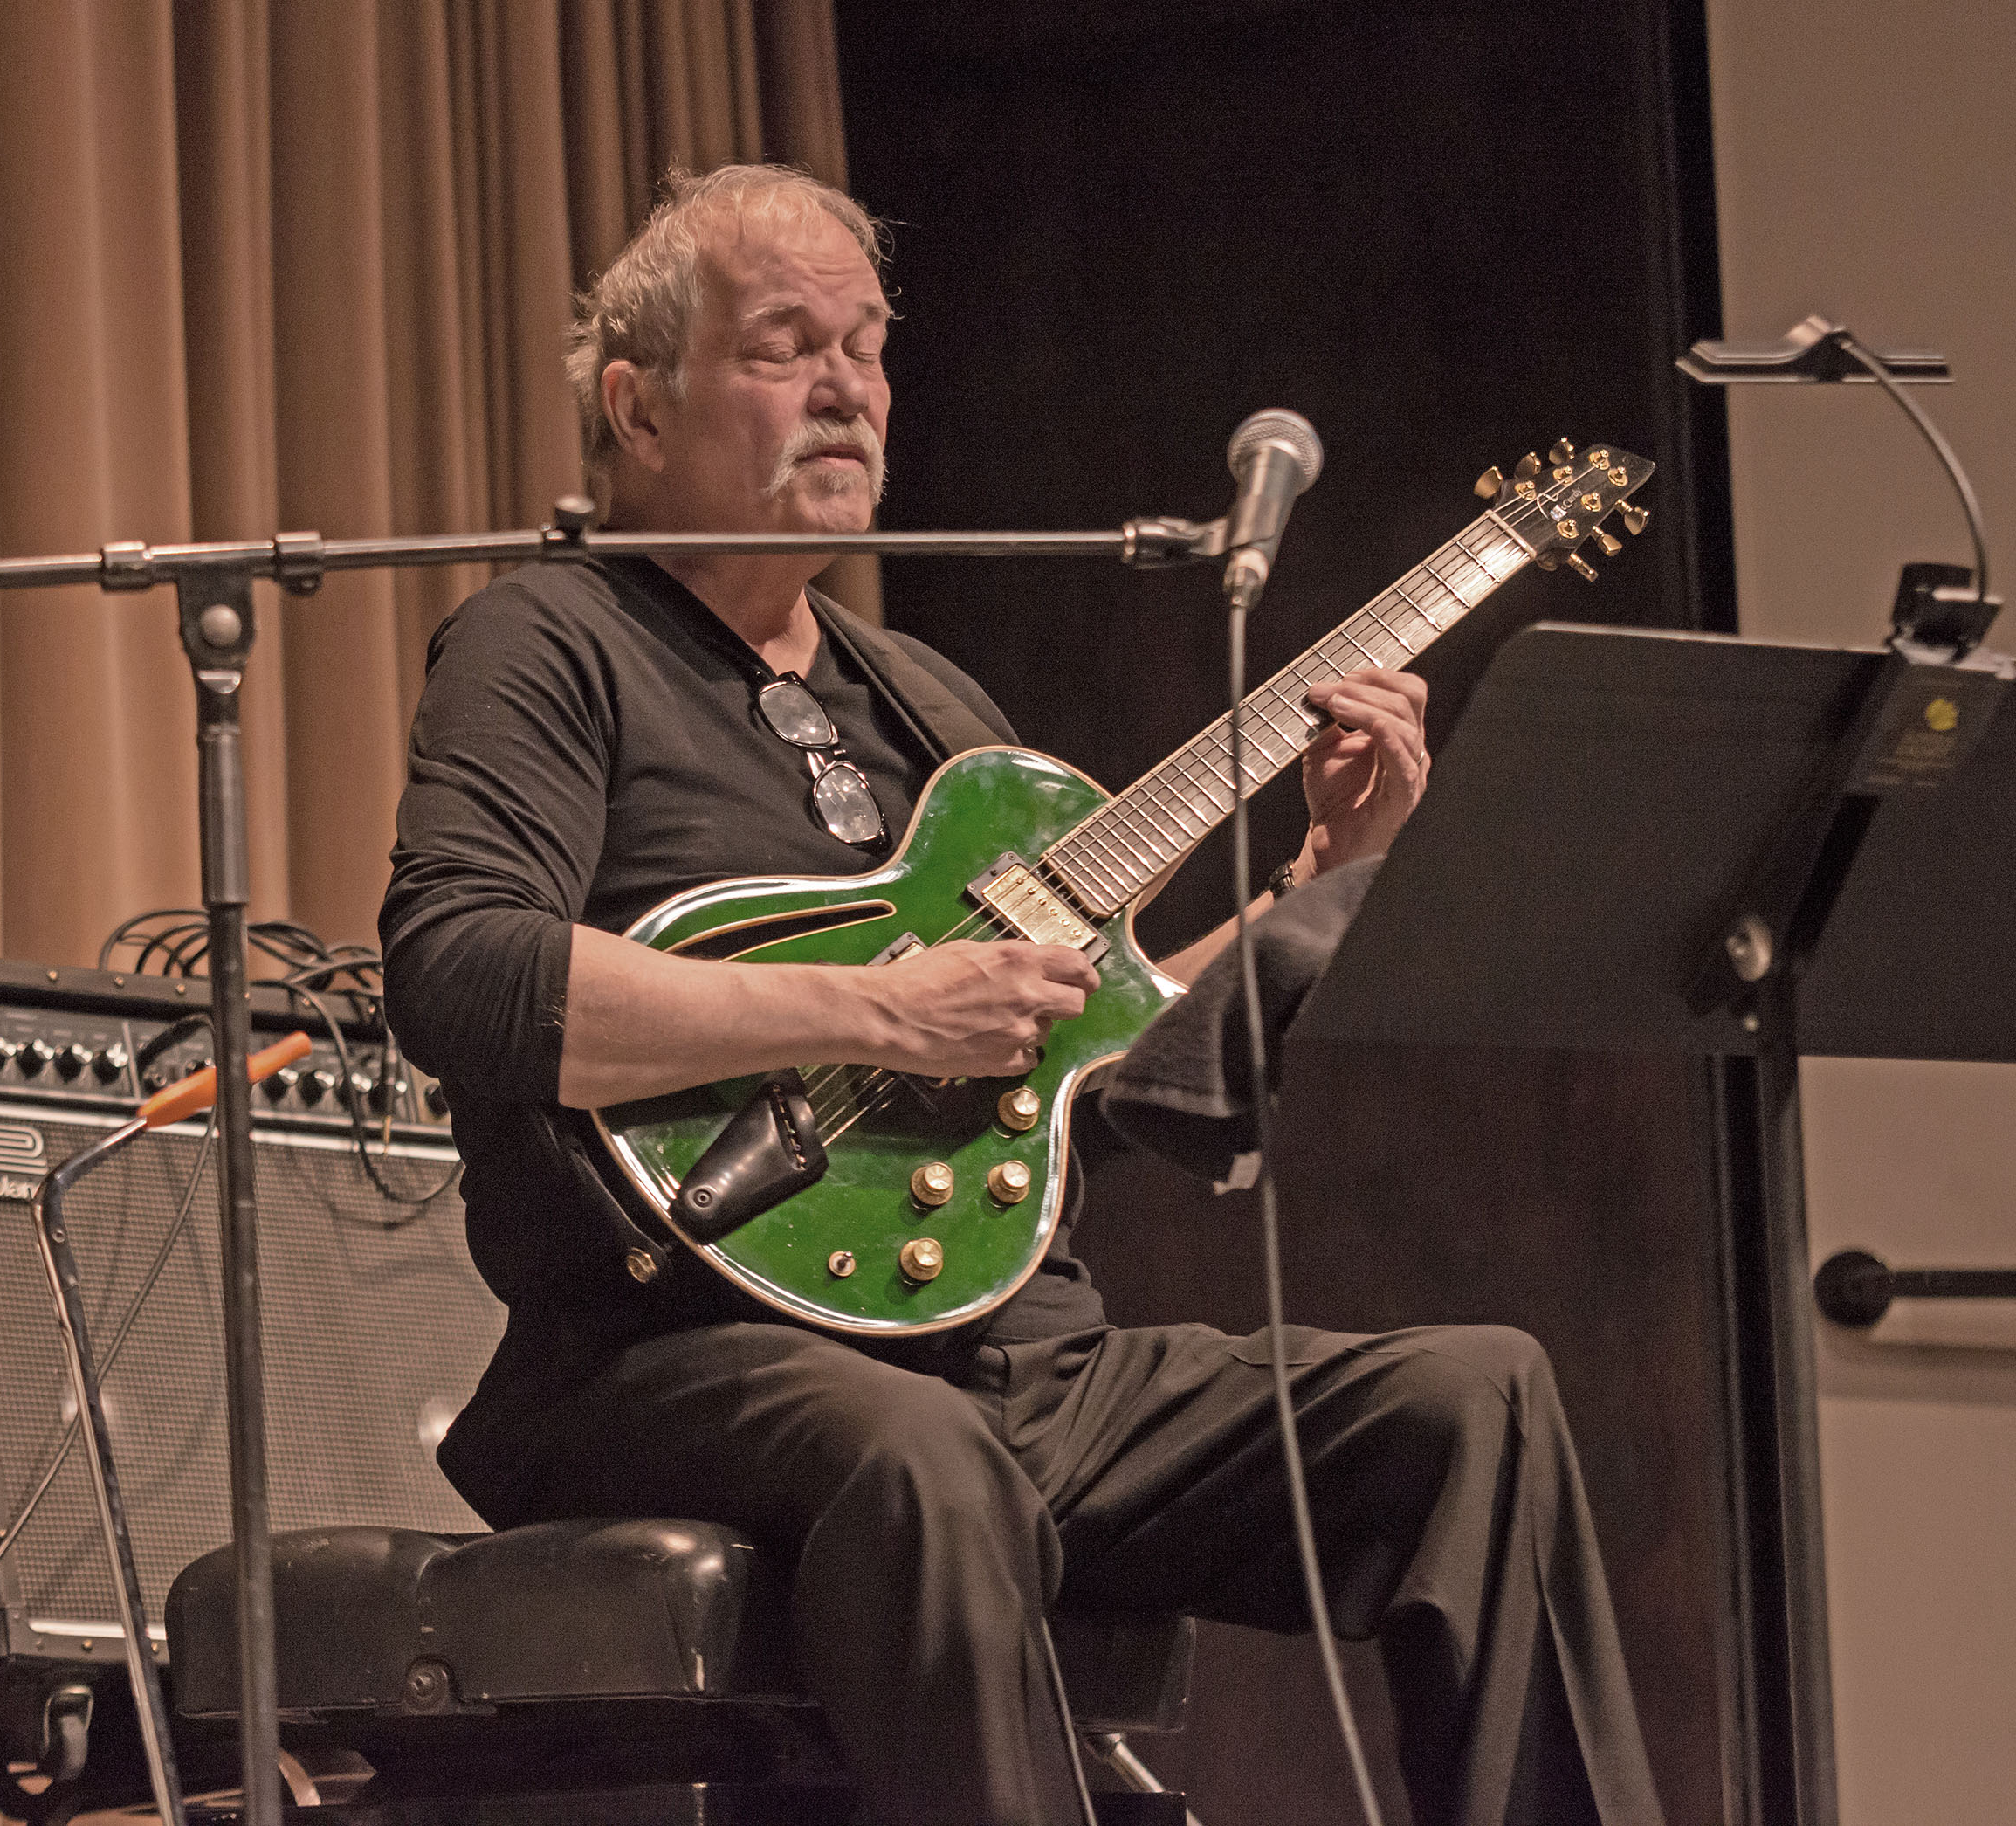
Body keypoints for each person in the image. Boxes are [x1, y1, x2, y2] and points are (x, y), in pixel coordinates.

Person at [381, 162, 1662, 1826]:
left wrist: (1318, 885)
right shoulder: (550, 644)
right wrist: (872, 1011)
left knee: (1471, 1400)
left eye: (866, 347)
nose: (847, 387)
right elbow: (459, 973)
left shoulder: (924, 706)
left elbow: (1090, 1077)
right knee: (921, 1459)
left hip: (1014, 1362)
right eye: (784, 345)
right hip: (669, 1351)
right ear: (637, 405)